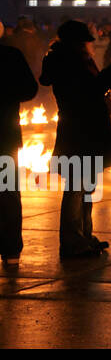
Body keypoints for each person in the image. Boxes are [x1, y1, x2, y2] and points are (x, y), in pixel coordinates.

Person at [40, 20, 111, 258]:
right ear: (80, 42)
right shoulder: (74, 61)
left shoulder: (63, 59)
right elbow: (92, 89)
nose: (91, 44)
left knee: (85, 187)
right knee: (78, 188)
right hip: (83, 129)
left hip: (77, 129)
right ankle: (74, 240)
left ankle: (84, 236)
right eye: (88, 40)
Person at [0, 22, 40, 265]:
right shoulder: (11, 56)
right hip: (5, 135)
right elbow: (29, 90)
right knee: (7, 193)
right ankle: (11, 249)